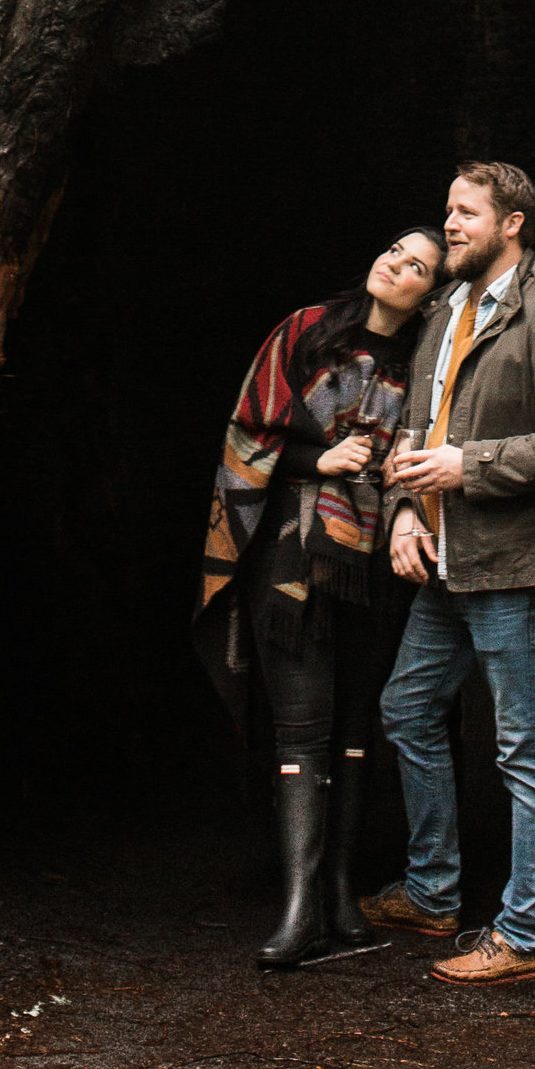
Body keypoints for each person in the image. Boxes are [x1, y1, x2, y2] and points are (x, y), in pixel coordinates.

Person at [362, 159, 535, 989]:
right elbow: (416, 427)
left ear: (513, 222)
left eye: (466, 212)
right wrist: (404, 509)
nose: (451, 225)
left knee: (524, 750)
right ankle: (435, 893)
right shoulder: (449, 308)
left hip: (521, 568)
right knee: (406, 709)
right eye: (447, 211)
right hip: (447, 561)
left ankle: (523, 936)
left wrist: (468, 468)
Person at [195, 229, 445, 970]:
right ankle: (300, 909)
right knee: (302, 734)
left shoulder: (429, 361)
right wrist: (317, 457)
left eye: (416, 268)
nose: (394, 265)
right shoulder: (304, 331)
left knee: (358, 725)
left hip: (379, 564)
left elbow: (434, 446)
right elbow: (245, 433)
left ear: (429, 293)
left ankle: (340, 896)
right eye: (395, 252)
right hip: (295, 562)